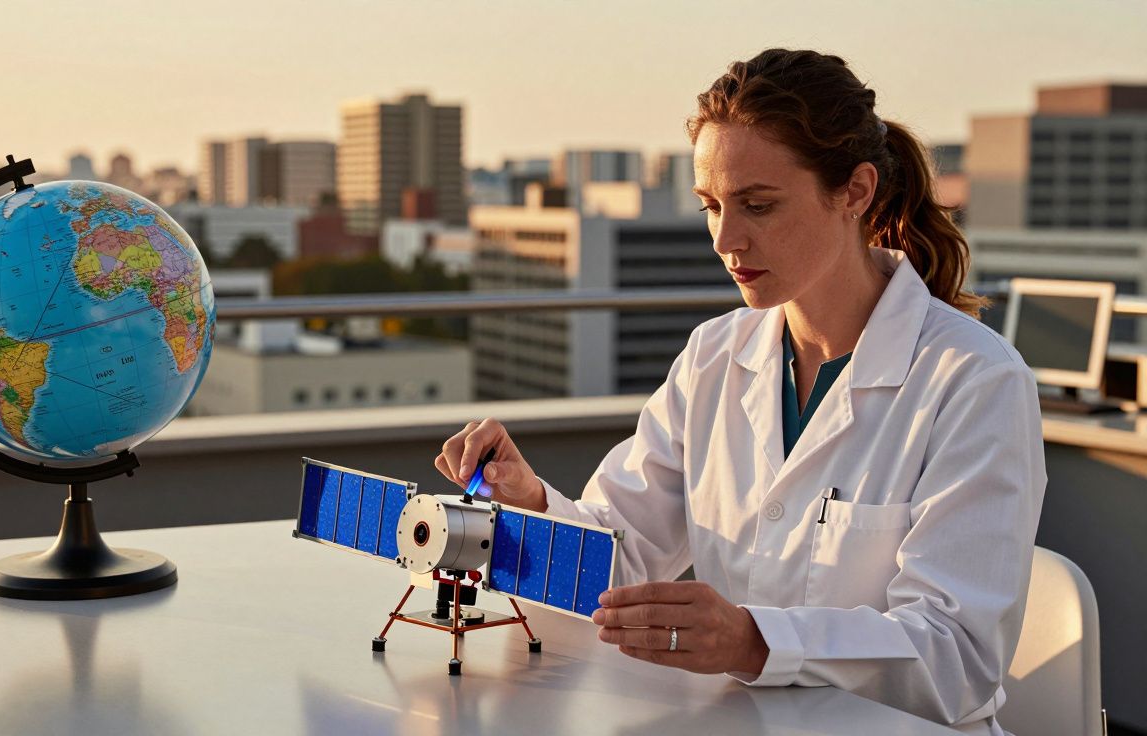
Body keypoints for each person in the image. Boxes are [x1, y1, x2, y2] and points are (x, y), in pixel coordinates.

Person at [435, 49, 1045, 736]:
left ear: (855, 191)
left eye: (758, 205)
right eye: (711, 206)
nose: (726, 239)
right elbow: (624, 556)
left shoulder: (974, 381)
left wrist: (755, 641)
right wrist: (533, 503)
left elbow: (956, 659)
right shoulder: (714, 357)